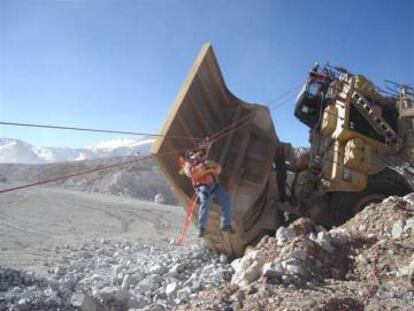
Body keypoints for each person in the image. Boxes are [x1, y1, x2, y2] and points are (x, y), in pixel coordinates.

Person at [181, 150, 234, 237]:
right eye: (195, 154)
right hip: (202, 186)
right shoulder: (188, 165)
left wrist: (214, 165)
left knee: (226, 198)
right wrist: (203, 166)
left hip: (214, 185)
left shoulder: (205, 161)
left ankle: (226, 224)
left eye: (199, 154)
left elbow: (217, 171)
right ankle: (202, 228)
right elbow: (191, 174)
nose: (197, 156)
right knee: (205, 202)